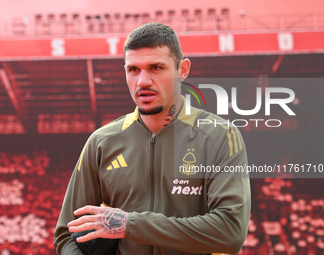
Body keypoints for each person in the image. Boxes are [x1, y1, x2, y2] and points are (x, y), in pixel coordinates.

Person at [54, 22, 251, 255]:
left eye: (156, 67)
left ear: (182, 70)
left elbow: (230, 233)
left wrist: (129, 225)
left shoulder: (220, 136)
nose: (143, 81)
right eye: (133, 69)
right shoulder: (101, 142)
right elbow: (67, 234)